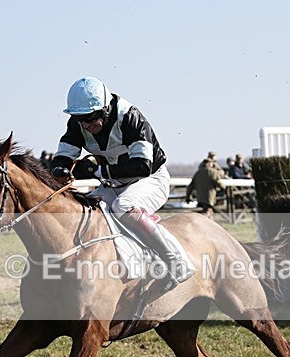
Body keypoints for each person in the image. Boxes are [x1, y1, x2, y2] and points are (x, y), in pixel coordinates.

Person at [50, 76, 192, 291]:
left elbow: (142, 166)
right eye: (80, 118)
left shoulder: (130, 117)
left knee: (122, 206)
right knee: (86, 209)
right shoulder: (78, 123)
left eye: (91, 117)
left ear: (105, 109)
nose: (86, 125)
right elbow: (64, 155)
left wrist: (98, 171)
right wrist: (59, 169)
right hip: (115, 182)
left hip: (150, 179)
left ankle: (176, 261)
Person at [185, 151, 225, 219]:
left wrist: (188, 197)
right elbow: (217, 182)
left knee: (202, 214)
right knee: (208, 214)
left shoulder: (198, 173)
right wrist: (224, 187)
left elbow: (191, 186)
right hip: (209, 197)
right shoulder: (212, 171)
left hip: (200, 197)